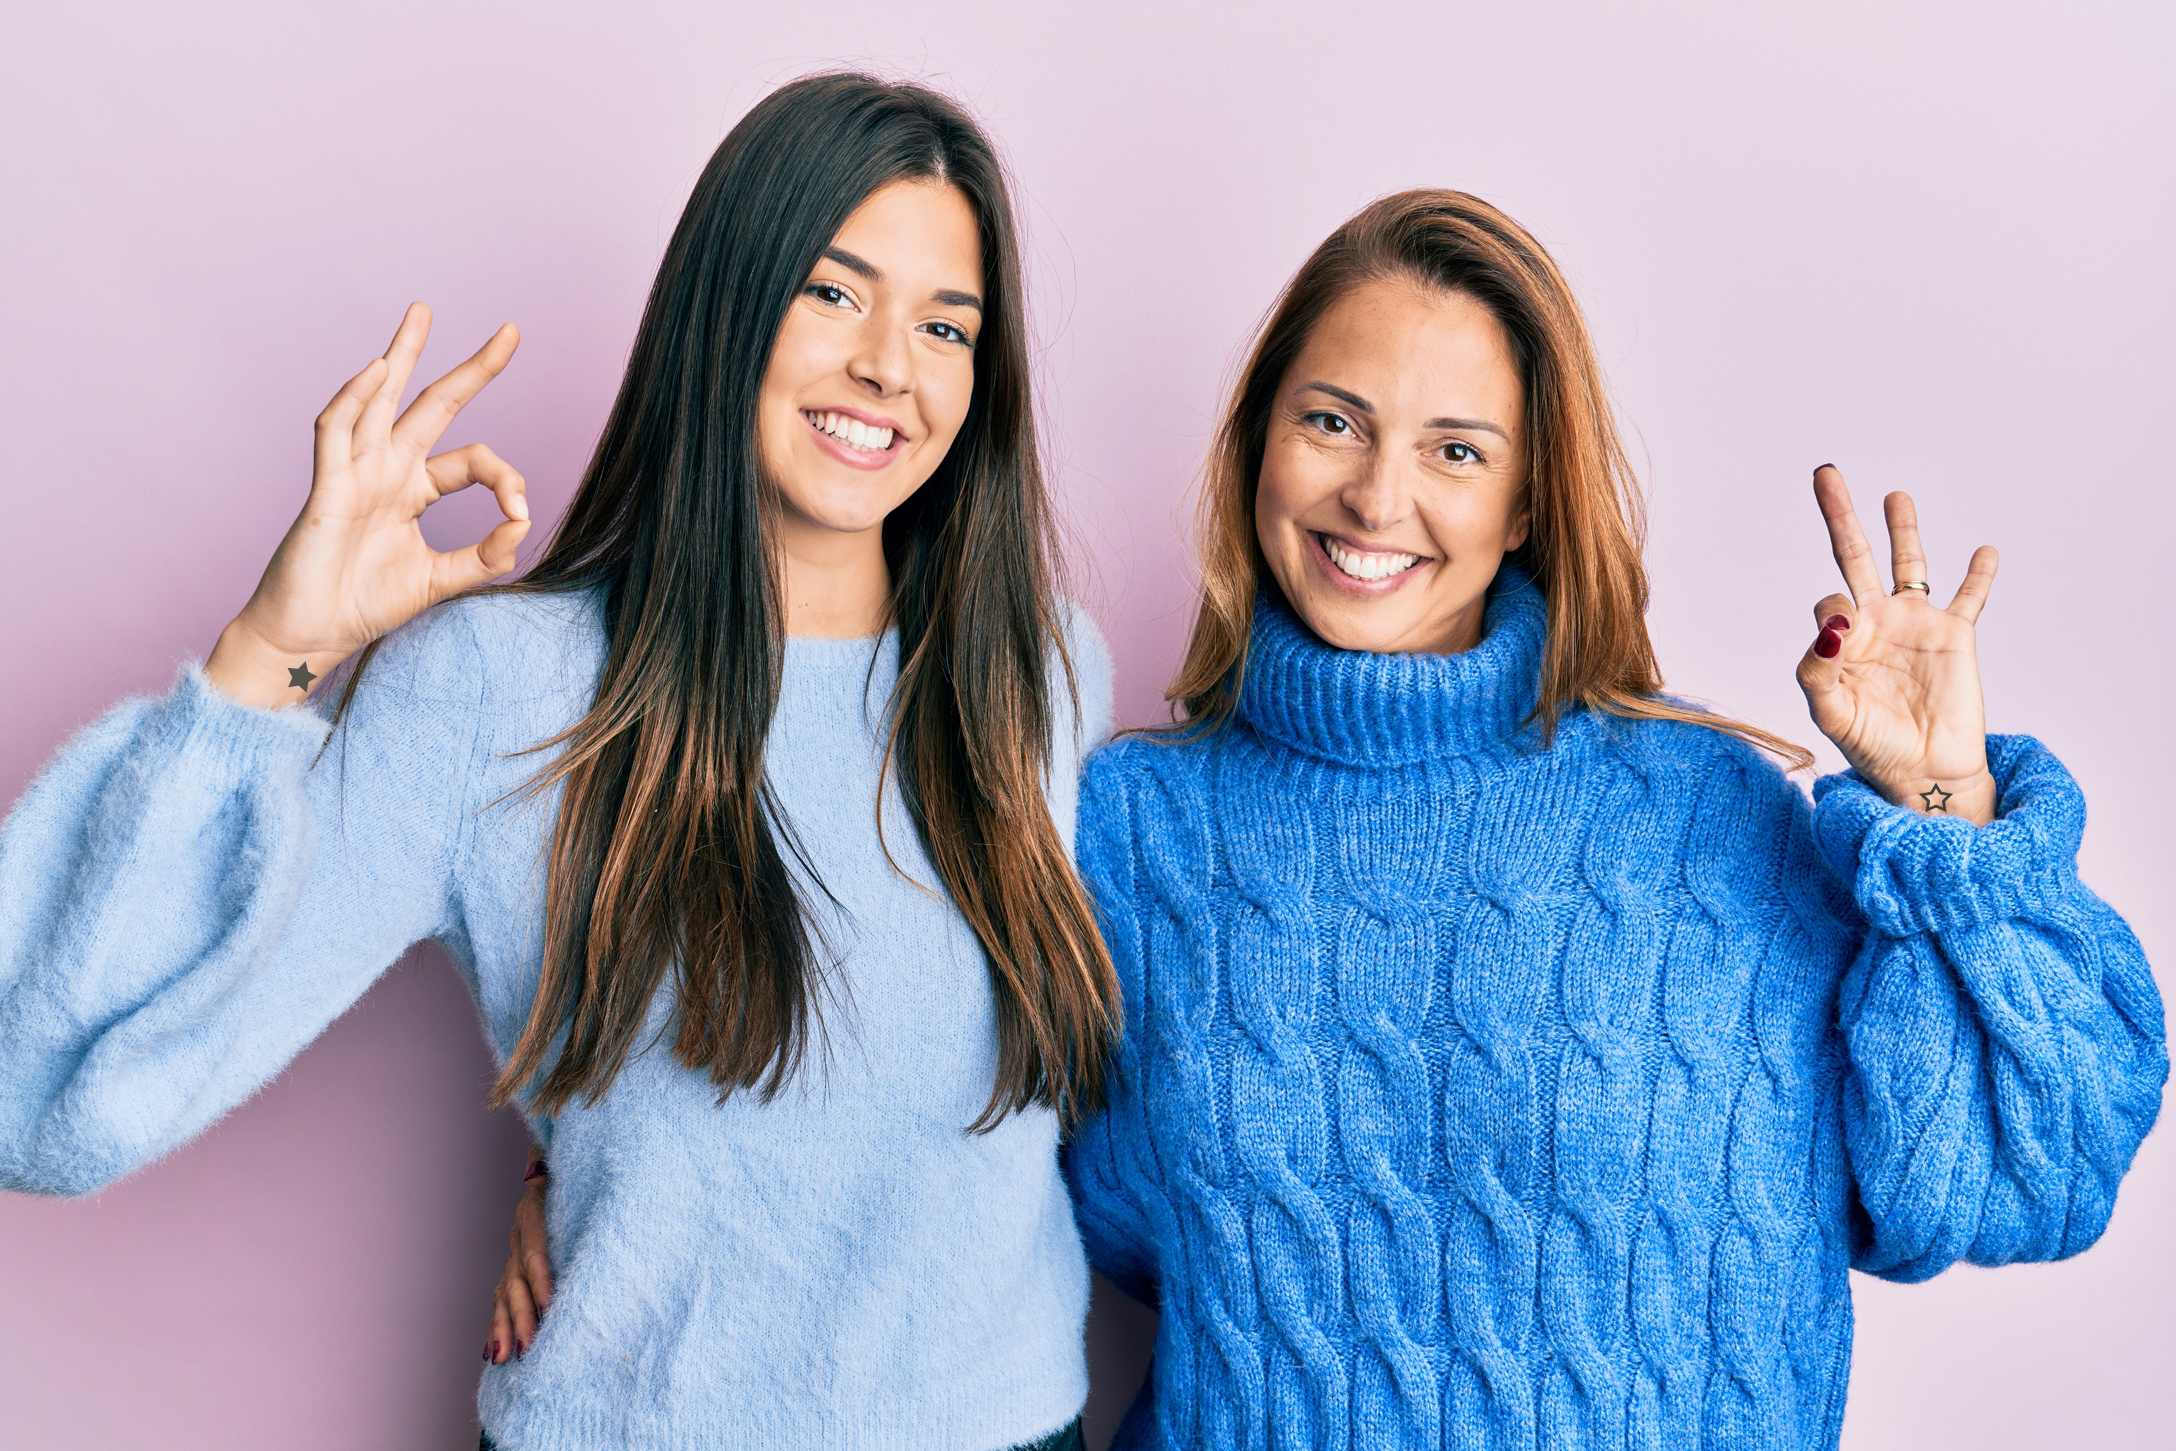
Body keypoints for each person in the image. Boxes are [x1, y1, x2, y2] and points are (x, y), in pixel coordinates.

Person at [0, 74, 1112, 1451]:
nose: (892, 362)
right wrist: (268, 654)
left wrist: (595, 1157)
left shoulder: (1042, 673)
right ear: (725, 305)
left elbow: (931, 1095)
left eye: (948, 324)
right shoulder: (495, 689)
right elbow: (41, 1097)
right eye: (833, 292)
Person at [1056, 190, 2165, 1448]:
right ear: (1260, 440)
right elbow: (1103, 1226)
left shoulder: (1709, 818)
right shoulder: (1129, 828)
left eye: (1455, 450)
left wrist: (1942, 802)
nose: (1374, 496)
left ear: (1527, 503)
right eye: (1331, 422)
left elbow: (2033, 1168)